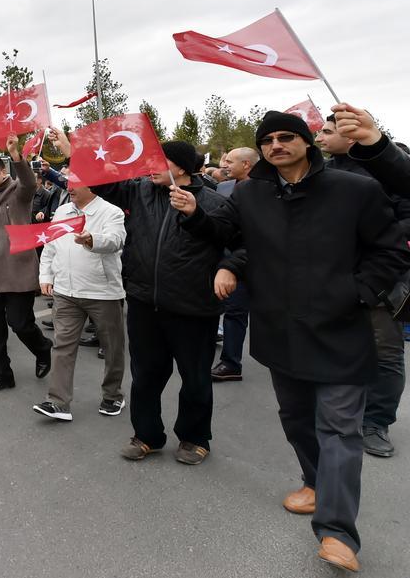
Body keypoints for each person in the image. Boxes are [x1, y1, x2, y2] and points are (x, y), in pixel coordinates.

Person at [170, 111, 410, 572]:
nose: (277, 145)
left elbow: (389, 250)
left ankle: (337, 532)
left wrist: (358, 294)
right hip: (280, 331)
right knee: (297, 419)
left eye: (287, 137)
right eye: (268, 140)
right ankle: (315, 482)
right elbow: (230, 236)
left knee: (339, 429)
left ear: (306, 142)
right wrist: (196, 216)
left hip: (340, 329)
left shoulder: (354, 189)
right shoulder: (251, 193)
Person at [53, 130, 232, 465]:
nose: (149, 166)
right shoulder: (140, 192)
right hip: (143, 301)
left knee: (194, 377)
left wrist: (203, 228)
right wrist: (73, 153)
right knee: (146, 374)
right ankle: (147, 435)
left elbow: (230, 242)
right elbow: (102, 181)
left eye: (158, 161)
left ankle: (194, 438)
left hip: (193, 306)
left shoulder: (214, 202)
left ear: (181, 169)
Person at [318, 113, 410, 459]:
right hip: (329, 278)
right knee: (333, 347)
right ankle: (339, 413)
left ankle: (376, 422)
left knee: (385, 354)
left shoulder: (389, 171)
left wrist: (369, 240)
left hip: (380, 279)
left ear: (352, 136)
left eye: (328, 131)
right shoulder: (321, 172)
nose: (321, 138)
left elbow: (404, 220)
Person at [32, 181, 128, 421]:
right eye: (69, 184)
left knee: (112, 348)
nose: (69, 188)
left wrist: (91, 239)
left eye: (76, 184)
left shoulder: (111, 211)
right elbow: (51, 246)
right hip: (65, 293)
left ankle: (112, 395)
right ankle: (57, 402)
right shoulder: (63, 211)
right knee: (62, 347)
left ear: (92, 186)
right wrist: (46, 276)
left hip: (102, 293)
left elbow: (115, 241)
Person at [0, 144, 54, 394]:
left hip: (16, 270)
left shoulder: (18, 192)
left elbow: (29, 183)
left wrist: (17, 156)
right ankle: (2, 374)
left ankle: (42, 349)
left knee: (20, 324)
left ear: (2, 171)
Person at [211, 147, 260, 382]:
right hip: (221, 257)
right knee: (227, 310)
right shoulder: (222, 187)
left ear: (247, 164)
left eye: (230, 161)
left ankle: (231, 363)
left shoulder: (266, 189)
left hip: (253, 260)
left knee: (236, 313)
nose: (224, 165)